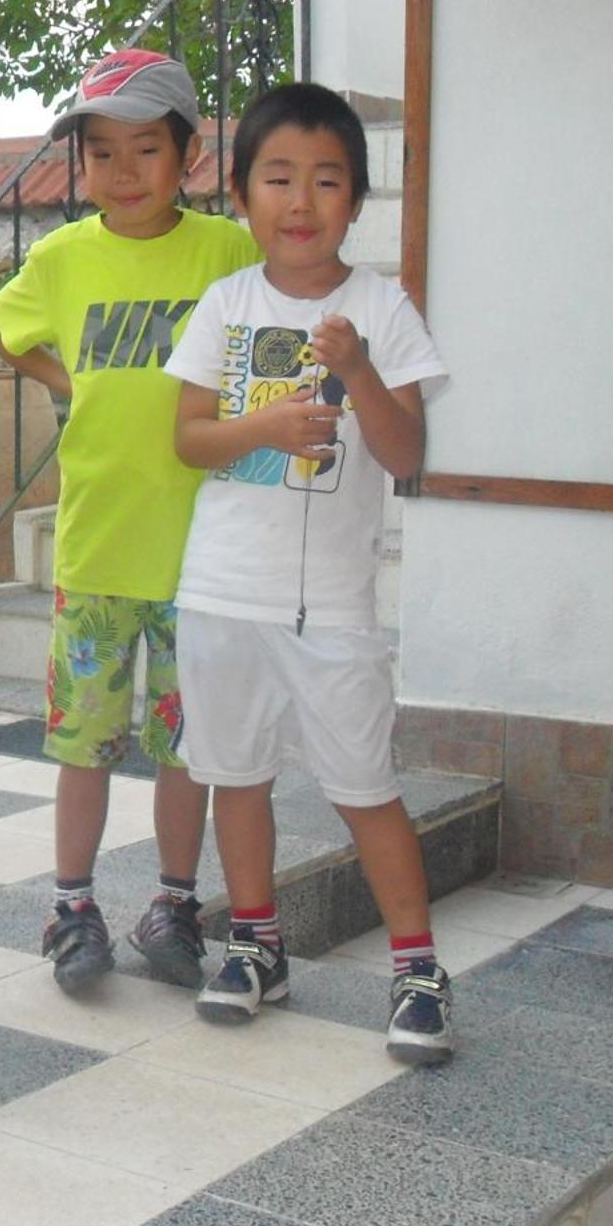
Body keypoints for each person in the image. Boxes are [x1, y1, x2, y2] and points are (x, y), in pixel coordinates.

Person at [163, 81, 452, 1064]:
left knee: (362, 784)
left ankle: (415, 970)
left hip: (328, 603)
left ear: (354, 202)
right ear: (239, 195)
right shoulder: (223, 303)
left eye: (325, 180)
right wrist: (267, 427)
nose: (300, 200)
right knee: (233, 777)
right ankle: (254, 945)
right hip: (218, 591)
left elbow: (404, 452)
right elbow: (191, 440)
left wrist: (361, 372)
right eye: (276, 177)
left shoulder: (380, 306)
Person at [0, 49, 262, 995]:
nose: (123, 171)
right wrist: (75, 384)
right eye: (101, 152)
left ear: (188, 157)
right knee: (82, 744)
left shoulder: (227, 251)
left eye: (146, 148)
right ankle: (72, 906)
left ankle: (174, 902)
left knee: (190, 747)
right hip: (98, 546)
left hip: (207, 555)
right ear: (81, 165)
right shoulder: (62, 258)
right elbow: (2, 330)